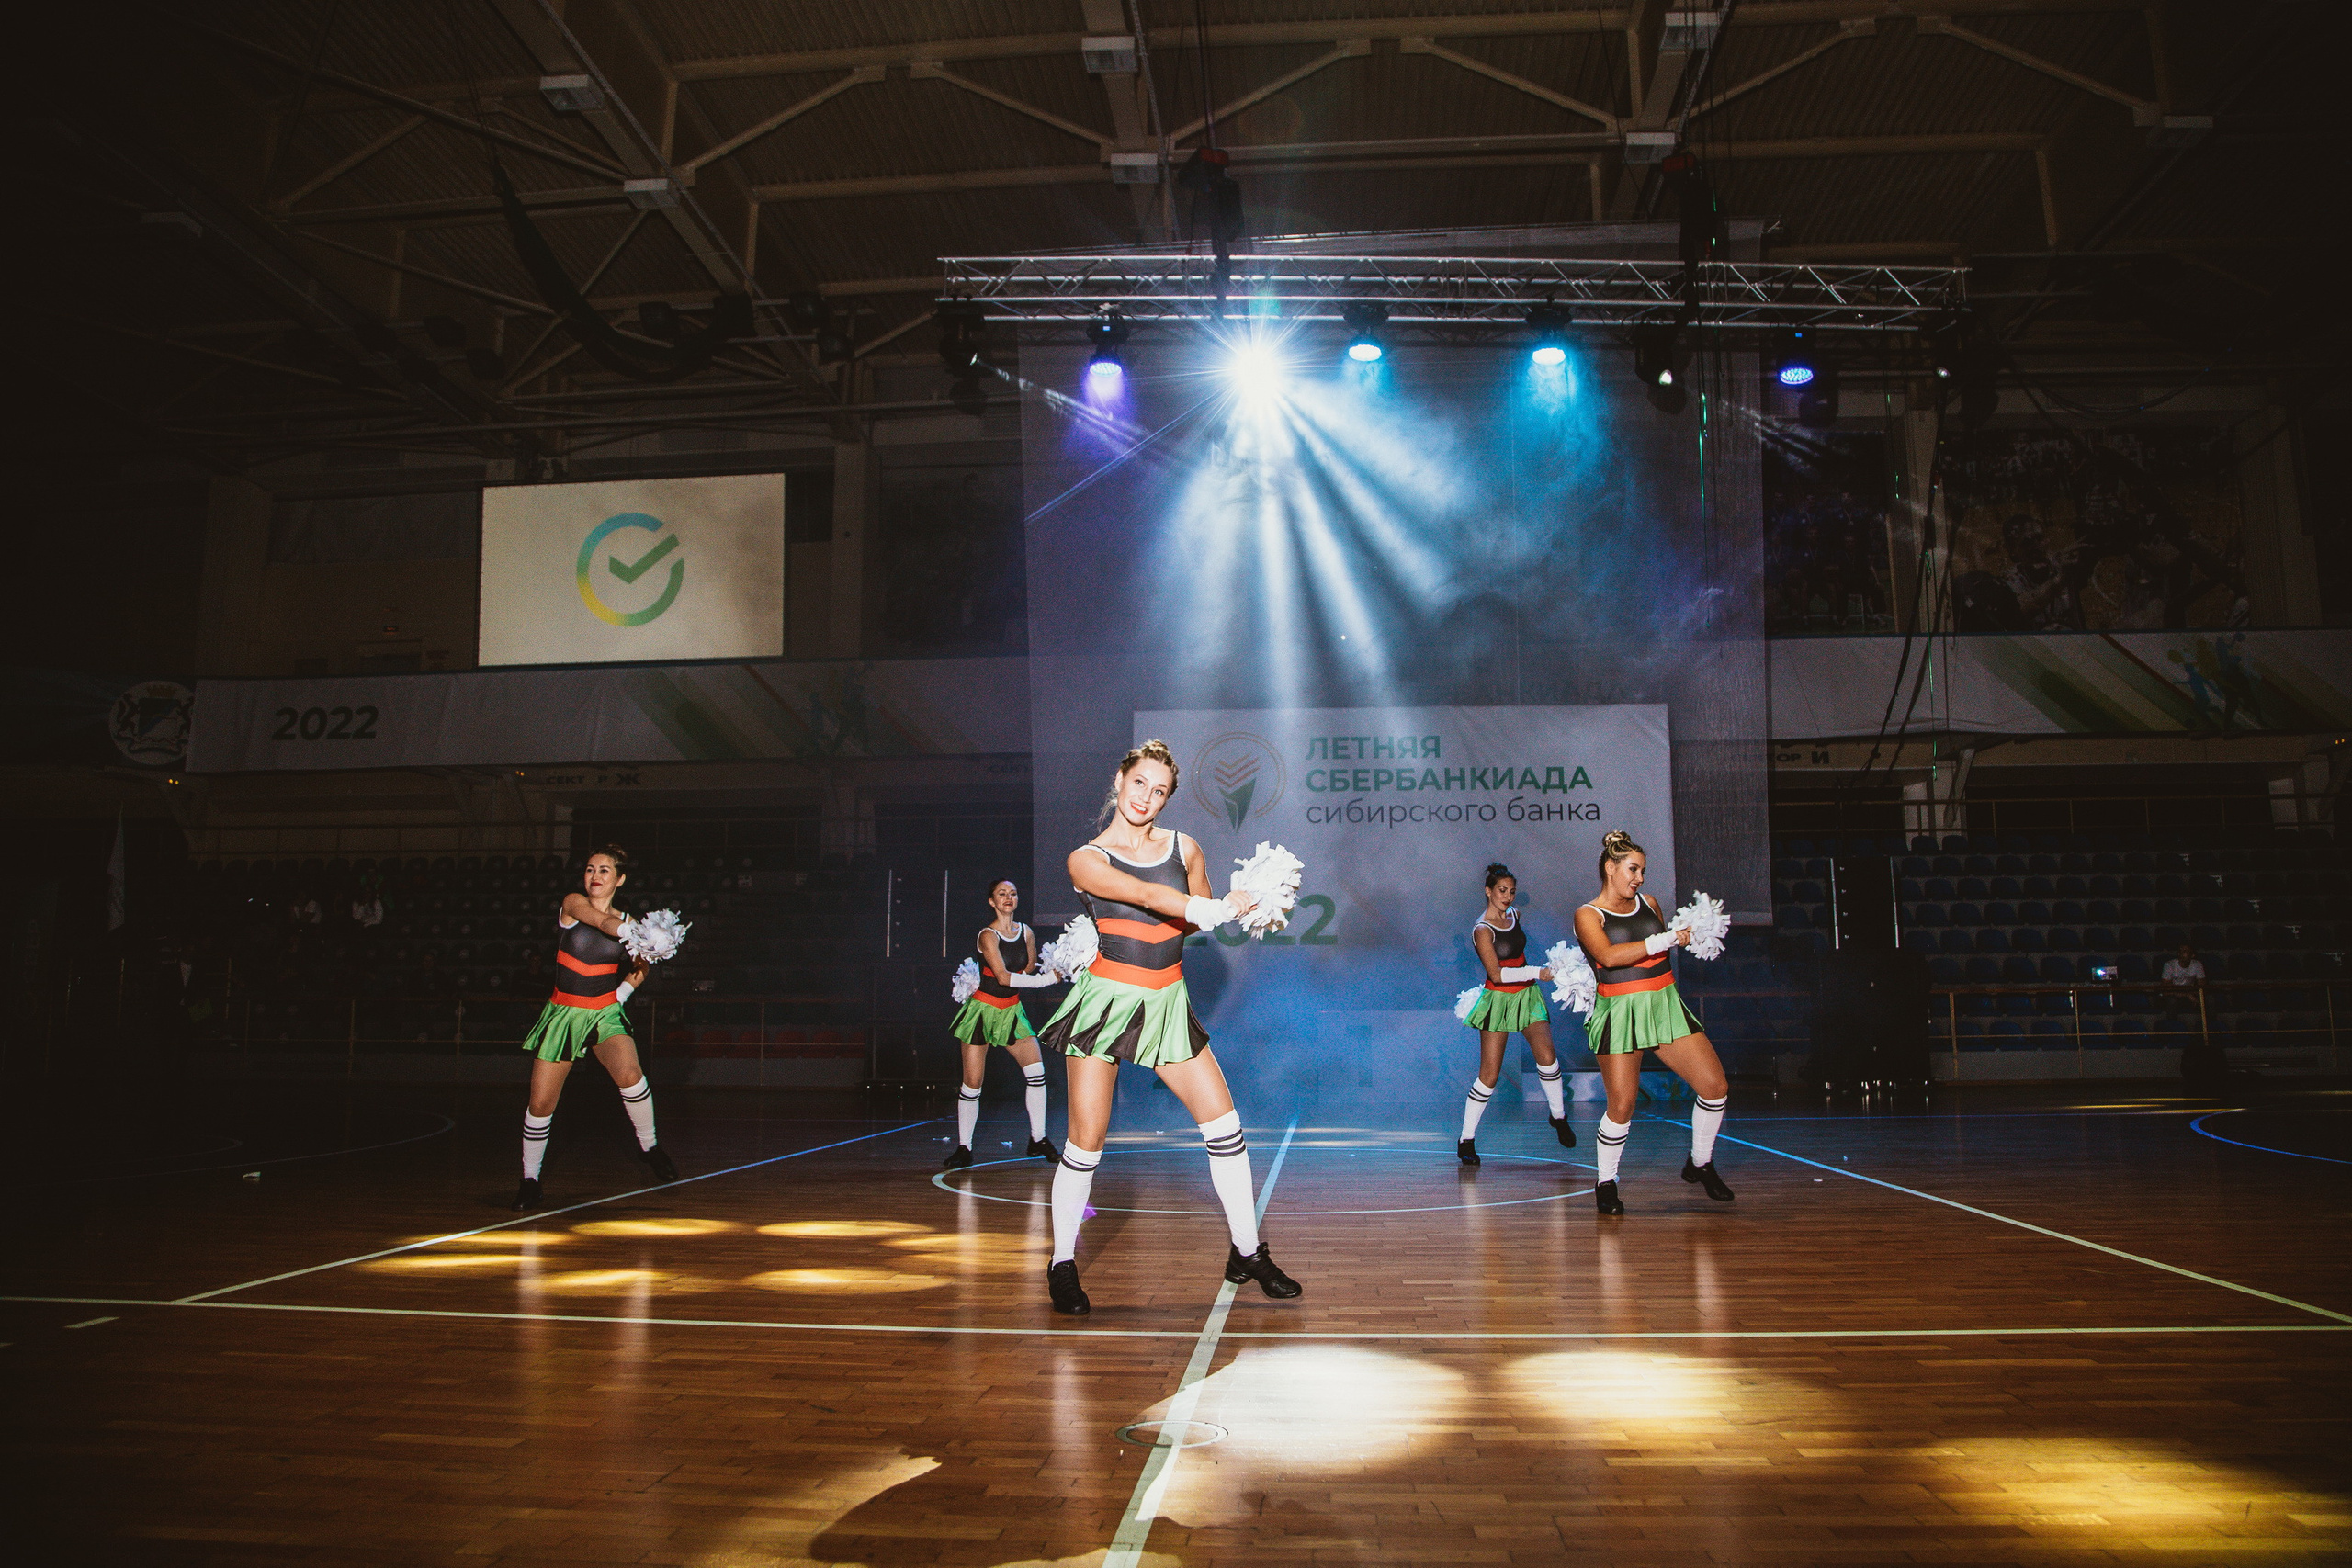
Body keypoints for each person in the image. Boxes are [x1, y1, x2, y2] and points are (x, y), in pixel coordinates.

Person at [1035, 739, 1301, 1315]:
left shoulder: (1187, 847)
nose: (1147, 798)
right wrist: (1206, 908)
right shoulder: (1086, 858)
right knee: (1087, 1140)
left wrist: (1242, 906)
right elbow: (1146, 895)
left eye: (1159, 792)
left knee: (1226, 1127)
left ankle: (1246, 1252)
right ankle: (1061, 1263)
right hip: (1105, 1003)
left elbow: (1200, 919)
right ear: (1120, 779)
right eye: (1139, 784)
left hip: (1166, 1002)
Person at [1573, 829, 1736, 1216]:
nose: (1639, 878)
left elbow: (1659, 956)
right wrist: (1667, 940)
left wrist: (1685, 940)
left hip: (1663, 1005)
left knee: (1715, 1087)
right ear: (1610, 868)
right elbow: (1609, 958)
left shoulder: (1649, 903)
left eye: (1643, 871)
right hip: (1619, 1010)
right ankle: (1606, 1183)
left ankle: (1700, 1163)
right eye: (1632, 869)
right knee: (1623, 1105)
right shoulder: (1587, 914)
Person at [510, 847, 673, 1210]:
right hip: (564, 1013)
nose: (595, 876)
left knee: (631, 1074)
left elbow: (641, 965)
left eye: (604, 870)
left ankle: (650, 1147)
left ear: (620, 879)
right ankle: (530, 1180)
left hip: (604, 1013)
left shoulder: (629, 918)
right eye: (589, 869)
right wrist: (633, 930)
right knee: (540, 1103)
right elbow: (601, 924)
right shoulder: (573, 904)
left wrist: (622, 993)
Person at [1456, 863, 1575, 1166]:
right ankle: (1466, 1139)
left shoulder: (1515, 916)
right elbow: (1495, 975)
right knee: (1490, 1076)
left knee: (1547, 1057)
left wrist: (1541, 973)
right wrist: (1538, 972)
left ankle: (1558, 1117)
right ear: (1488, 891)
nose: (1507, 897)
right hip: (1498, 1000)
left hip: (1528, 996)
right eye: (1501, 891)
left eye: (1511, 892)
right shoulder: (1482, 929)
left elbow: (1519, 955)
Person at [943, 878, 1059, 1170]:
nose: (1008, 898)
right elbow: (1004, 977)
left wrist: (1056, 964)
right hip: (982, 1011)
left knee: (1036, 1073)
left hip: (1012, 1011)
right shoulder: (987, 936)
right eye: (1001, 894)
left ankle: (1038, 1139)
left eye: (1013, 893)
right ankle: (964, 1148)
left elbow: (1030, 966)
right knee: (972, 1083)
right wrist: (1047, 980)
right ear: (992, 901)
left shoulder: (1027, 932)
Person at [2161, 942, 2207, 1011]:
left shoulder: (2197, 964)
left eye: (2185, 951)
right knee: (2172, 1001)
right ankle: (2172, 1021)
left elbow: (2202, 986)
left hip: (2190, 994)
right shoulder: (2169, 965)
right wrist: (2187, 995)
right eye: (2179, 951)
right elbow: (2166, 990)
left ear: (2192, 955)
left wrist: (2193, 995)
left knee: (2209, 999)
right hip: (2174, 995)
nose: (2181, 953)